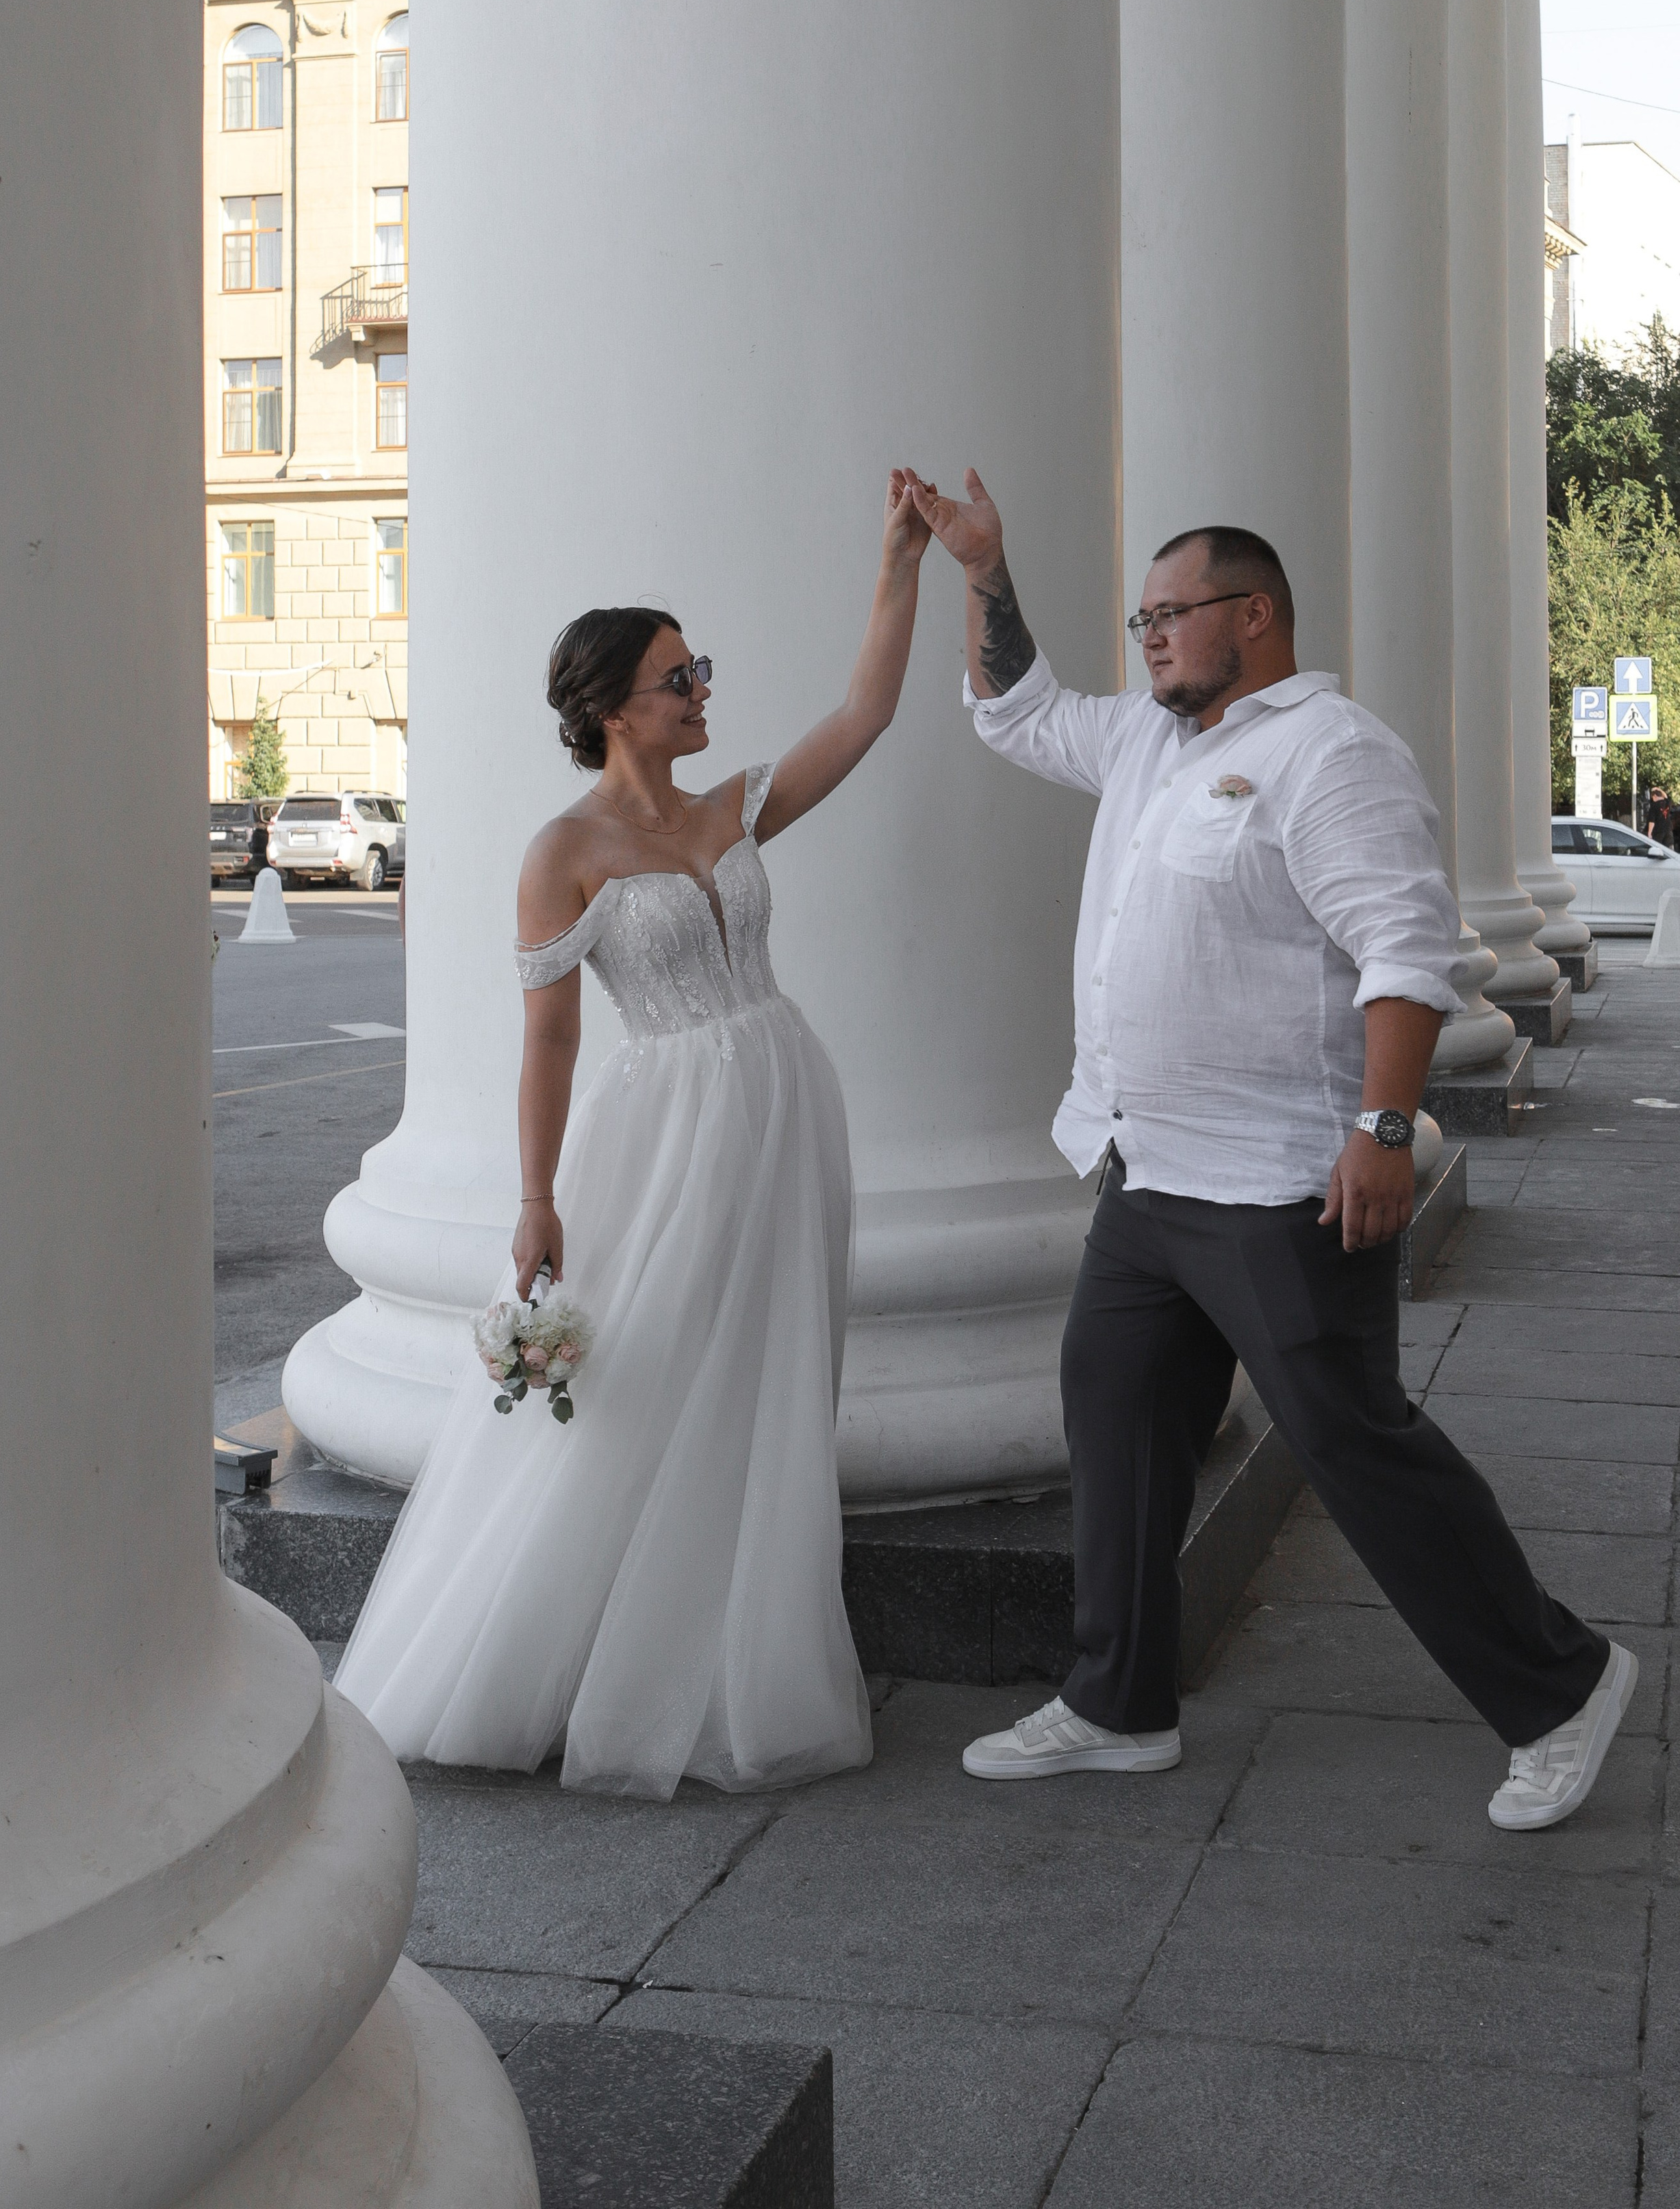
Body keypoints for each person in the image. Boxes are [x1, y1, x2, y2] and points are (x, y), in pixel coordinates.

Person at [908, 470, 1634, 1833]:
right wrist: (983, 574)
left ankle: (1560, 1685)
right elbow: (1012, 710)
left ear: (1253, 616)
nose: (1150, 641)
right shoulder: (1142, 742)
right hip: (1147, 1169)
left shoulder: (1330, 752)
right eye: (1139, 625)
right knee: (1113, 1415)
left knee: (1351, 1446)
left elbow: (1405, 950)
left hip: (1276, 1183)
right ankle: (1118, 1703)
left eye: (1170, 617)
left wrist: (1378, 1128)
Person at [335, 474, 932, 1797]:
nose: (701, 691)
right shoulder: (566, 851)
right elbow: (548, 1041)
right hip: (664, 1128)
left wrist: (899, 560)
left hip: (784, 1099)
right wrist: (537, 1199)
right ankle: (552, 1654)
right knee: (641, 1370)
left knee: (768, 1367)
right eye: (678, 677)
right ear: (614, 706)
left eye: (699, 670)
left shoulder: (730, 810)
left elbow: (866, 713)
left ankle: (729, 1647)